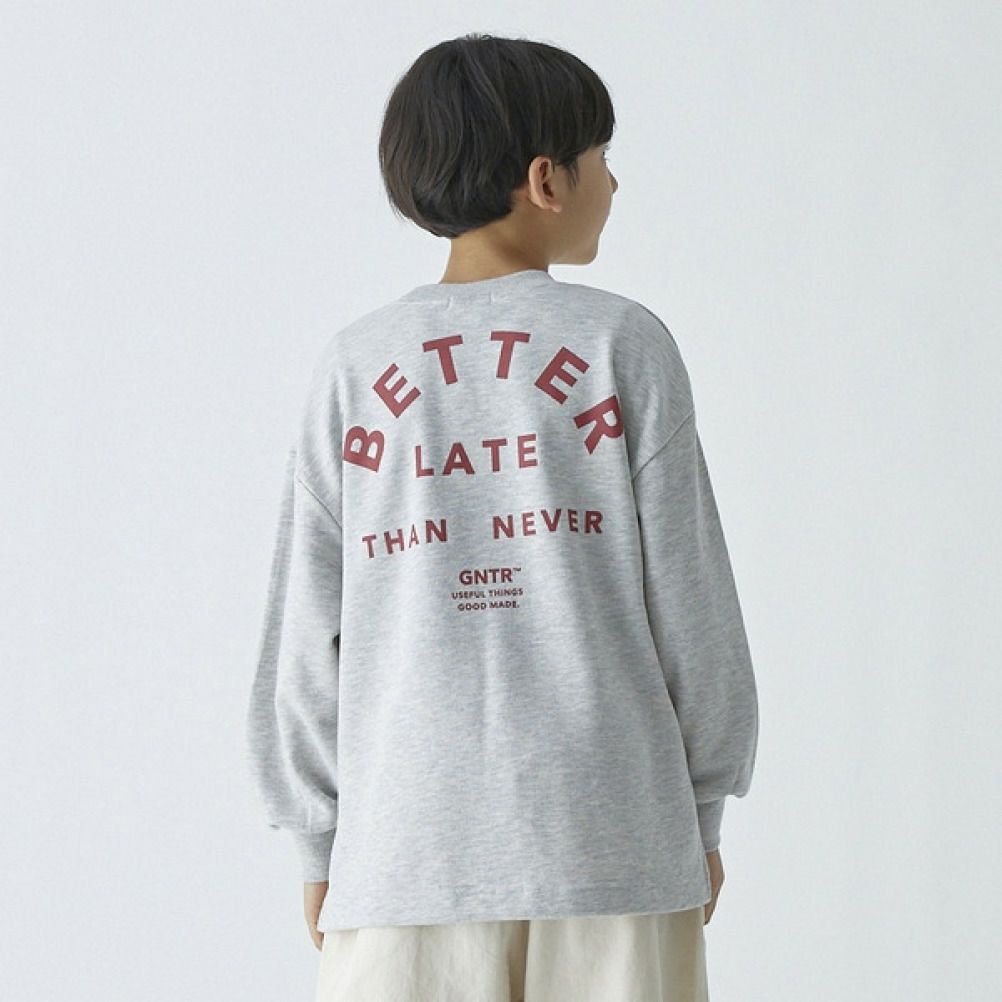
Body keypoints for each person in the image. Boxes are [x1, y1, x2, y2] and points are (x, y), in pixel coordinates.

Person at [245, 32, 759, 1002]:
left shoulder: (356, 365)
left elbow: (306, 628)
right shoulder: (620, 344)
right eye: (603, 158)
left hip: (404, 851)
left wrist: (320, 836)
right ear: (547, 180)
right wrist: (701, 812)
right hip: (614, 842)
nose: (616, 183)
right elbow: (692, 605)